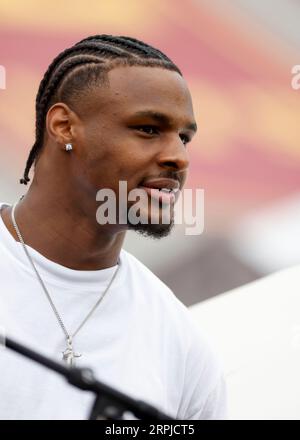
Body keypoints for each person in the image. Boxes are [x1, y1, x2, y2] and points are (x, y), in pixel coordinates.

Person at [0, 34, 226, 419]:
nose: (178, 157)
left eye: (184, 137)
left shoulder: (181, 343)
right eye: (148, 129)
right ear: (64, 126)